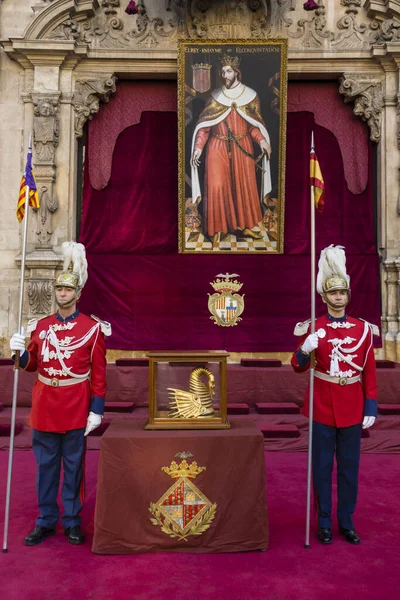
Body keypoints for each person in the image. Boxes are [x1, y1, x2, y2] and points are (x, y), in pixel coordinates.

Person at [9, 241, 111, 546]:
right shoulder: (40, 326)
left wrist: (97, 409)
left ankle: (71, 521)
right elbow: (30, 365)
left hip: (76, 405)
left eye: (67, 291)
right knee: (46, 468)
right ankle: (45, 520)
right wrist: (16, 351)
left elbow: (100, 374)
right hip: (45, 405)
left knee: (73, 467)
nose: (62, 294)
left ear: (77, 294)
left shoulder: (92, 329)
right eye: (59, 290)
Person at [291, 245, 378, 545]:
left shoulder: (362, 330)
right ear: (324, 297)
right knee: (322, 468)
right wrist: (305, 348)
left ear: (347, 296)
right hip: (322, 406)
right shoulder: (314, 327)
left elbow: (368, 370)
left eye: (342, 294)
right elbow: (297, 366)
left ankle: (347, 521)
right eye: (333, 294)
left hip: (352, 406)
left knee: (349, 469)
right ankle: (324, 521)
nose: (338, 298)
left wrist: (371, 405)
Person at [190, 53, 272, 246]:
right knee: (217, 187)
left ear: (237, 72)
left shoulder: (250, 96)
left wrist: (261, 141)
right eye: (222, 72)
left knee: (244, 187)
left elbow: (253, 126)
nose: (224, 75)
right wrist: (198, 147)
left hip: (242, 146)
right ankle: (217, 230)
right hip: (216, 147)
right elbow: (205, 126)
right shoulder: (215, 97)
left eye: (228, 71)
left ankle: (245, 226)